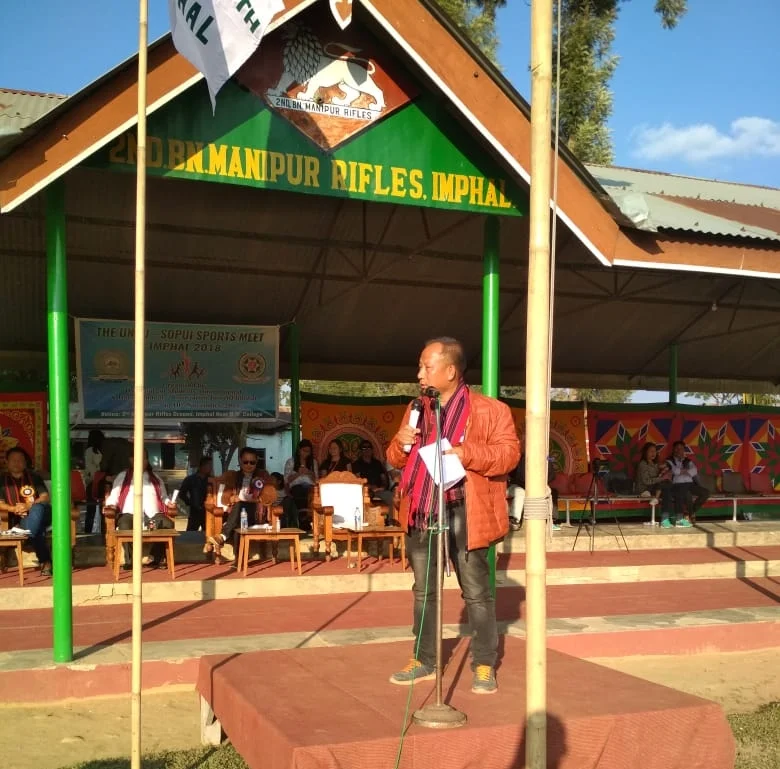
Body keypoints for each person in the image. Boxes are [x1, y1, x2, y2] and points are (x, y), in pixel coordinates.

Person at [386, 337, 519, 695]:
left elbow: (509, 456)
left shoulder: (491, 410)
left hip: (466, 510)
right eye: (420, 366)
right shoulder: (417, 408)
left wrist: (465, 452)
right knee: (423, 591)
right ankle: (424, 659)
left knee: (476, 593)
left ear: (450, 371)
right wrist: (400, 442)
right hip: (422, 509)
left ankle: (484, 663)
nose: (419, 374)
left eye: (426, 367)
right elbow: (395, 459)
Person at [105, 449, 177, 569]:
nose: (140, 461)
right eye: (137, 458)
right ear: (131, 460)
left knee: (167, 524)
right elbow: (114, 495)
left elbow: (163, 497)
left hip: (152, 514)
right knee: (124, 525)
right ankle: (130, 561)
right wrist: (111, 505)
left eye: (144, 458)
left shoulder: (155, 478)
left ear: (147, 461)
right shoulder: (123, 476)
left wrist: (169, 503)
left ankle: (155, 558)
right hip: (130, 513)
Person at [207, 447, 270, 562]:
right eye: (246, 462)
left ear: (256, 462)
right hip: (237, 516)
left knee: (240, 506)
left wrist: (256, 499)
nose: (249, 465)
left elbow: (270, 496)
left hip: (256, 514)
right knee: (238, 527)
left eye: (252, 462)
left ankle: (223, 536)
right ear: (240, 461)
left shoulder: (263, 475)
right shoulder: (233, 476)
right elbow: (225, 498)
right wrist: (231, 498)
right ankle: (239, 560)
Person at [0, 447, 53, 576]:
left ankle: (26, 534)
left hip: (39, 513)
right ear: (7, 462)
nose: (17, 463)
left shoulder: (34, 477)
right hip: (19, 518)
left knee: (38, 508)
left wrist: (29, 506)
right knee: (37, 530)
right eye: (13, 460)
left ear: (25, 462)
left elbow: (45, 497)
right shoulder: (1, 480)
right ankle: (46, 561)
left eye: (20, 460)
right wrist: (13, 508)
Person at [509, 453, 560, 531]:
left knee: (553, 492)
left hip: (538, 485)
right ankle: (515, 520)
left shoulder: (546, 458)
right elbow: (518, 476)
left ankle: (552, 521)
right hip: (521, 485)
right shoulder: (522, 458)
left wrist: (540, 482)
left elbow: (552, 475)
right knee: (520, 492)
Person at [666, 441, 709, 526]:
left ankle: (690, 512)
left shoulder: (687, 461)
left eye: (681, 449)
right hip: (677, 485)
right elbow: (675, 471)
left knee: (706, 493)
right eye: (677, 448)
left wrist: (682, 471)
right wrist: (686, 471)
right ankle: (690, 515)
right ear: (673, 450)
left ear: (683, 450)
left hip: (690, 484)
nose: (679, 450)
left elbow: (694, 471)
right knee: (687, 494)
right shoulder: (669, 460)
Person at [635, 442, 674, 527]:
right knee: (665, 484)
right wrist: (661, 478)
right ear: (645, 452)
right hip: (644, 488)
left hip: (654, 488)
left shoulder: (654, 464)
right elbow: (646, 481)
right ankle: (665, 518)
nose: (653, 453)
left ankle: (665, 519)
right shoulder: (643, 464)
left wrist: (664, 471)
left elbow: (658, 475)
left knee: (667, 490)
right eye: (651, 451)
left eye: (655, 451)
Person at [352, 440, 394, 515]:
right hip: (364, 491)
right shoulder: (356, 464)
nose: (367, 450)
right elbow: (357, 481)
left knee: (391, 496)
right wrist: (370, 487)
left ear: (372, 450)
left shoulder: (377, 463)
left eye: (369, 447)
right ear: (361, 451)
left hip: (378, 490)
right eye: (364, 448)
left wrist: (382, 487)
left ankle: (390, 520)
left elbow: (384, 479)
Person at [283, 439, 318, 528]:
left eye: (308, 451)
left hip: (310, 486)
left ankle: (304, 518)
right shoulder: (291, 461)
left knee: (310, 492)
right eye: (304, 451)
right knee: (299, 490)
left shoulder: (313, 462)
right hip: (296, 487)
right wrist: (298, 473)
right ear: (299, 450)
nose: (306, 453)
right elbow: (286, 480)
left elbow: (317, 480)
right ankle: (304, 518)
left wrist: (309, 472)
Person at [179, 456, 212, 532]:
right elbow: (181, 493)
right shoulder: (190, 479)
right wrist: (190, 502)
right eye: (209, 465)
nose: (211, 468)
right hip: (195, 511)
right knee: (190, 534)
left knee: (208, 533)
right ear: (202, 466)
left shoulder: (211, 480)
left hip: (207, 511)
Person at [83, 429, 105, 535]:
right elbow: (90, 467)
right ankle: (89, 531)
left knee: (99, 509)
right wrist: (100, 473)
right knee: (92, 508)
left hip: (99, 481)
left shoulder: (99, 450)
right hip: (95, 481)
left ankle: (101, 531)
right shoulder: (91, 451)